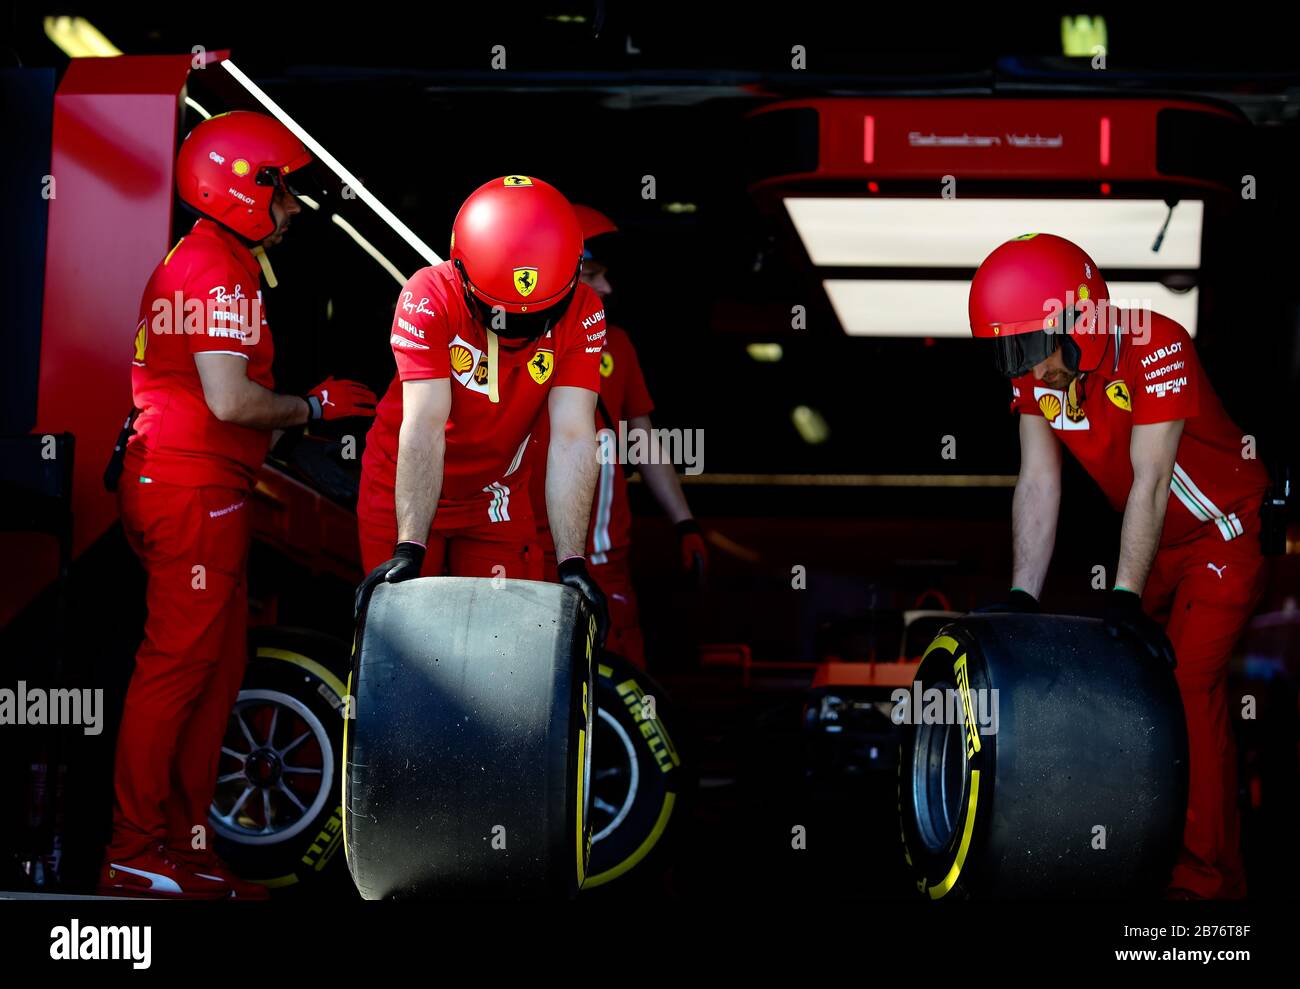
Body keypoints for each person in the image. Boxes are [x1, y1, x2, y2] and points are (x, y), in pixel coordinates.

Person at [100, 111, 377, 899]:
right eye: (282, 190)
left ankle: (183, 852)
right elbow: (230, 400)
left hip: (197, 488)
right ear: (244, 188)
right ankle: (131, 849)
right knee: (177, 670)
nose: (291, 209)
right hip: (190, 490)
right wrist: (317, 408)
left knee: (215, 676)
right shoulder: (217, 271)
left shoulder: (217, 261)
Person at [969, 232, 1269, 899]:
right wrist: (1023, 593)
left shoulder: (1157, 342)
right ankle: (1140, 852)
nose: (1023, 368)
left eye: (1027, 346)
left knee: (1187, 685)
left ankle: (1206, 888)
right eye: (1005, 352)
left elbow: (1152, 479)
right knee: (1124, 683)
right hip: (1159, 541)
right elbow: (1039, 480)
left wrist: (1126, 593)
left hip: (1224, 532)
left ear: (1079, 316)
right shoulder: (1034, 375)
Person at [354, 176, 610, 643]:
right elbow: (425, 424)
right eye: (506, 316)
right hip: (401, 483)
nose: (520, 332)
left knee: (507, 643)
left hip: (495, 494)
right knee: (403, 645)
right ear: (462, 273)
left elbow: (574, 435)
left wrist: (572, 561)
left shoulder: (585, 308)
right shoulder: (426, 295)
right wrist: (411, 546)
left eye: (538, 316)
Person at [527, 204, 707, 667]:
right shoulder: (506, 347)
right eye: (592, 274)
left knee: (619, 685)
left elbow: (641, 440)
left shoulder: (617, 345)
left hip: (606, 559)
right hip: (525, 555)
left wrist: (683, 522)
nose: (607, 288)